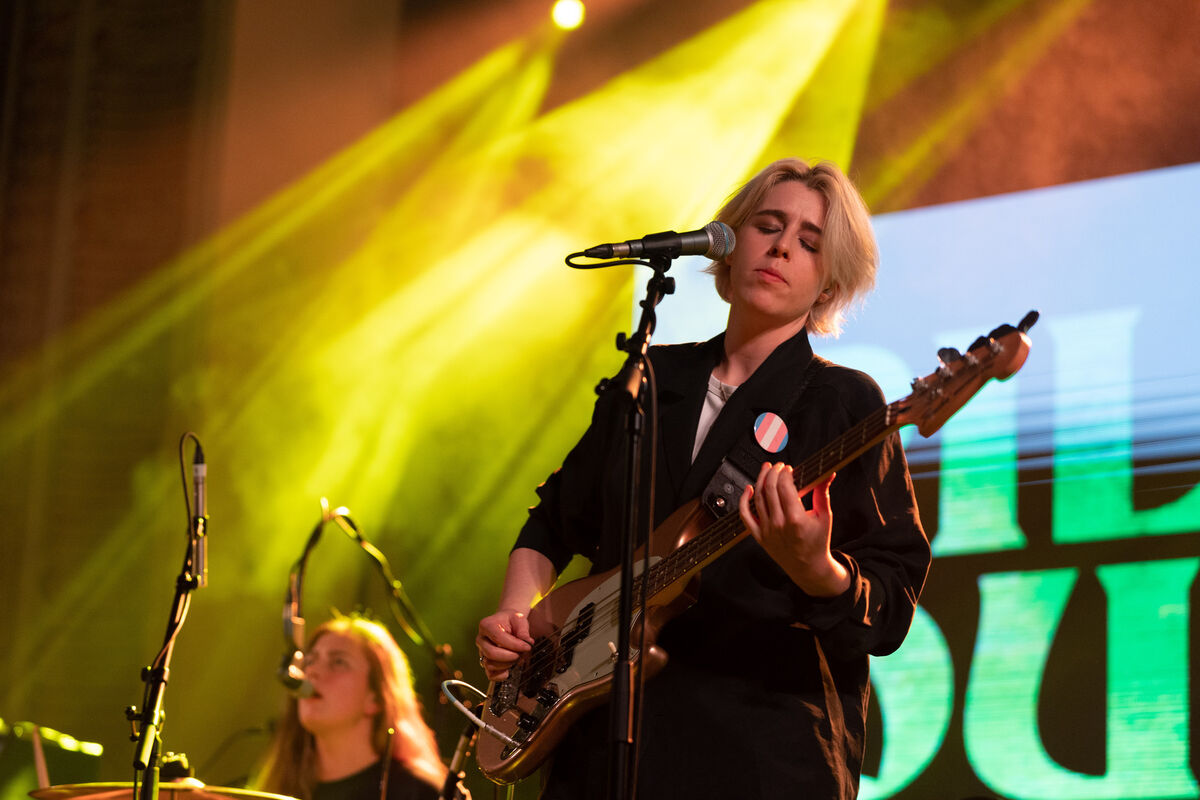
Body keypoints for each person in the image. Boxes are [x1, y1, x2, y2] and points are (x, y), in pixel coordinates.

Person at [475, 158, 931, 799]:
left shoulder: (844, 403)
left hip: (755, 758)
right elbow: (553, 521)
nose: (780, 247)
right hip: (599, 753)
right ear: (730, 240)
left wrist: (815, 567)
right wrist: (515, 616)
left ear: (828, 283)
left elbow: (890, 603)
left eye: (809, 242)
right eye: (767, 225)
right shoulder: (649, 382)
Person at [256, 613, 465, 800]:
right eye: (310, 661)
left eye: (338, 662)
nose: (312, 672)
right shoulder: (280, 785)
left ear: (376, 699)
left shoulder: (418, 791)